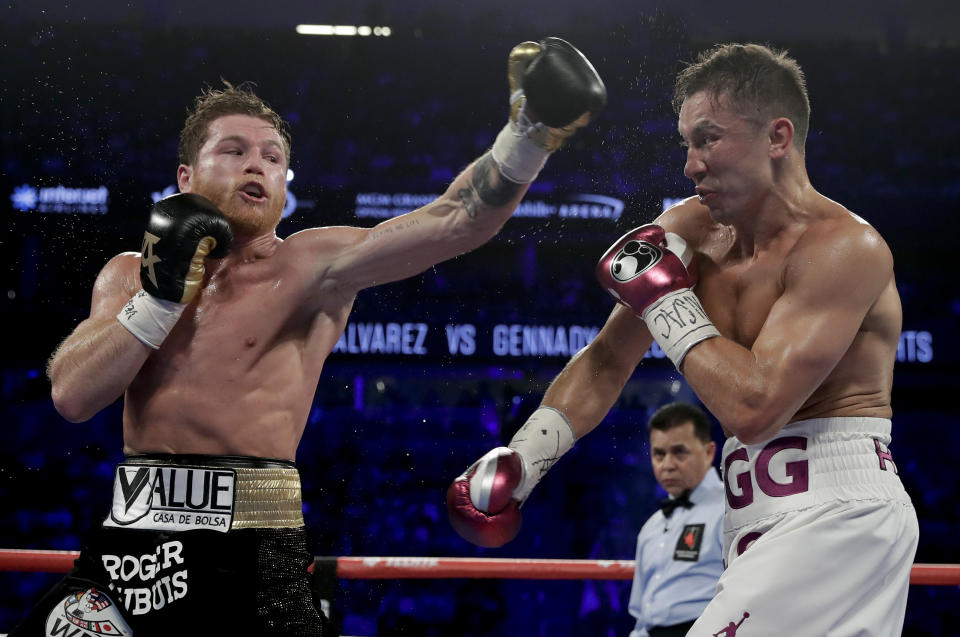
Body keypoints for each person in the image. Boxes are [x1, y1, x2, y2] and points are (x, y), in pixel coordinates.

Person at [15, 37, 606, 636]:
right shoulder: (127, 273)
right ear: (186, 174)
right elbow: (73, 396)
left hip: (252, 552)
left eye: (273, 158)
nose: (258, 165)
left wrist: (528, 136)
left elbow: (458, 218)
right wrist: (161, 295)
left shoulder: (311, 267)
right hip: (130, 550)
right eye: (235, 150)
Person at [447, 43, 918, 636]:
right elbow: (606, 361)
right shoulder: (690, 231)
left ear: (778, 136)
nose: (691, 165)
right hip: (754, 520)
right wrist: (527, 457)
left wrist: (667, 300)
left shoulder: (845, 249)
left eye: (709, 139)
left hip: (837, 513)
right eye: (686, 144)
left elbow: (756, 407)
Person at [627, 402, 724, 637]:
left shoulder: (730, 510)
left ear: (709, 452)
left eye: (679, 452)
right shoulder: (652, 527)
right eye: (659, 454)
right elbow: (642, 614)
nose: (667, 465)